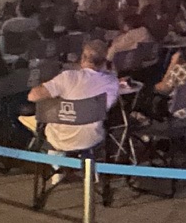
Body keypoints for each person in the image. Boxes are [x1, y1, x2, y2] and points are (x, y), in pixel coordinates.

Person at [25, 37, 119, 194]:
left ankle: (57, 170)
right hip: (92, 138)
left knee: (48, 120)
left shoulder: (67, 77)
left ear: (82, 57)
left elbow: (32, 96)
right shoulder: (112, 82)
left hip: (61, 137)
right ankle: (88, 173)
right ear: (104, 61)